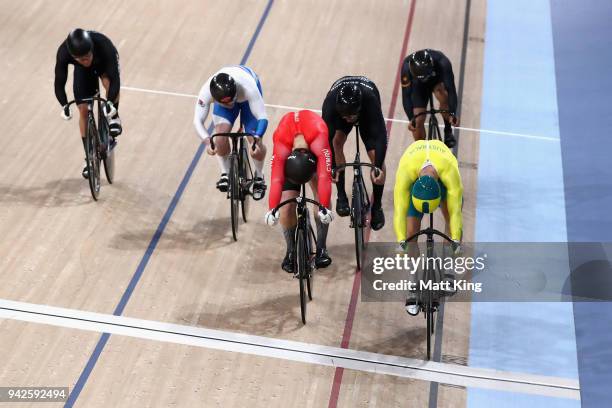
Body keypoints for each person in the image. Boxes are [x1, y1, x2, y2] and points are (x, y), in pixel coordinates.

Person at [393, 139, 463, 315]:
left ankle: (448, 270)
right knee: (410, 234)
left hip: (442, 178)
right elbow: (399, 212)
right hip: (415, 170)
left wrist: (455, 240)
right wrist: (402, 240)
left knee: (451, 218)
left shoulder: (449, 171)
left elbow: (456, 214)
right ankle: (414, 283)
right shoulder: (406, 172)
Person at [264, 110, 334, 273]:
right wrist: (272, 209)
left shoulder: (319, 137)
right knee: (286, 208)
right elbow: (276, 180)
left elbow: (325, 177)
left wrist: (323, 207)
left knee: (320, 203)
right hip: (291, 158)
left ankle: (321, 247)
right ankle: (290, 251)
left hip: (314, 160)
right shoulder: (281, 143)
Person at [54, 29, 122, 179]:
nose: (86, 60)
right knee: (83, 110)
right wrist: (64, 105)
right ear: (73, 56)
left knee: (108, 83)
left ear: (91, 48)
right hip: (82, 72)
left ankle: (114, 117)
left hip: (103, 62)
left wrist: (111, 103)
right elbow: (59, 82)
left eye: (88, 56)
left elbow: (115, 79)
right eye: (81, 59)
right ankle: (90, 157)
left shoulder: (103, 45)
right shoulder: (64, 53)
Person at [322, 76, 387, 230]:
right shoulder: (331, 103)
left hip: (365, 114)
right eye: (346, 117)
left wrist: (377, 166)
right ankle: (341, 196)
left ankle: (377, 206)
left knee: (376, 158)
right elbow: (325, 138)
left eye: (351, 117)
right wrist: (332, 167)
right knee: (336, 142)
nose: (349, 120)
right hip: (343, 112)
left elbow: (380, 136)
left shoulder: (370, 100)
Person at [194, 66, 268, 200]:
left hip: (246, 100)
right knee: (219, 139)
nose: (230, 104)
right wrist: (207, 141)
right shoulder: (207, 91)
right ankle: (225, 173)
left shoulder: (248, 87)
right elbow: (197, 121)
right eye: (226, 103)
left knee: (254, 142)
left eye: (231, 101)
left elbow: (263, 117)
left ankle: (259, 176)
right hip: (223, 100)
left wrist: (257, 138)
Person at [401, 49, 459, 148]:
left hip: (436, 80)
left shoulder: (443, 63)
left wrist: (452, 113)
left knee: (443, 95)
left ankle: (448, 130)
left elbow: (451, 90)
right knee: (417, 121)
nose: (424, 80)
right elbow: (406, 95)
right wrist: (411, 119)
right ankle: (421, 149)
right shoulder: (406, 67)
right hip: (418, 86)